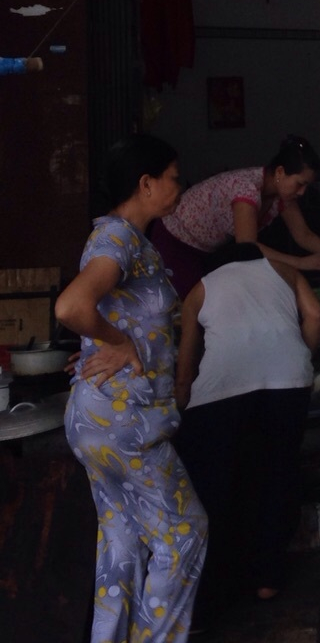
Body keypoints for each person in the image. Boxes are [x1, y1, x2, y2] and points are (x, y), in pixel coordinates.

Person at [55, 134, 208, 643]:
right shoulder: (118, 239)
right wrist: (118, 343)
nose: (179, 188)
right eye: (173, 178)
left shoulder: (121, 239)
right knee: (185, 534)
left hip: (102, 417)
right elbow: (71, 306)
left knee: (120, 543)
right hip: (127, 421)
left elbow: (106, 312)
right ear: (146, 184)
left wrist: (105, 340)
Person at [174, 241, 320, 616]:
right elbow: (316, 316)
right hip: (287, 385)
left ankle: (214, 595)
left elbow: (186, 366)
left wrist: (179, 411)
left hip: (219, 396)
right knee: (277, 475)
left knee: (217, 490)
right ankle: (267, 580)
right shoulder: (285, 272)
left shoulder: (200, 289)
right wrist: (298, 359)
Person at [150, 134, 320, 298]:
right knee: (187, 305)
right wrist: (301, 262)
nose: (302, 192)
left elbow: (303, 235)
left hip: (202, 251)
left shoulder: (283, 197)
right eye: (300, 184)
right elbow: (247, 245)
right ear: (280, 172)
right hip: (174, 240)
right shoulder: (246, 189)